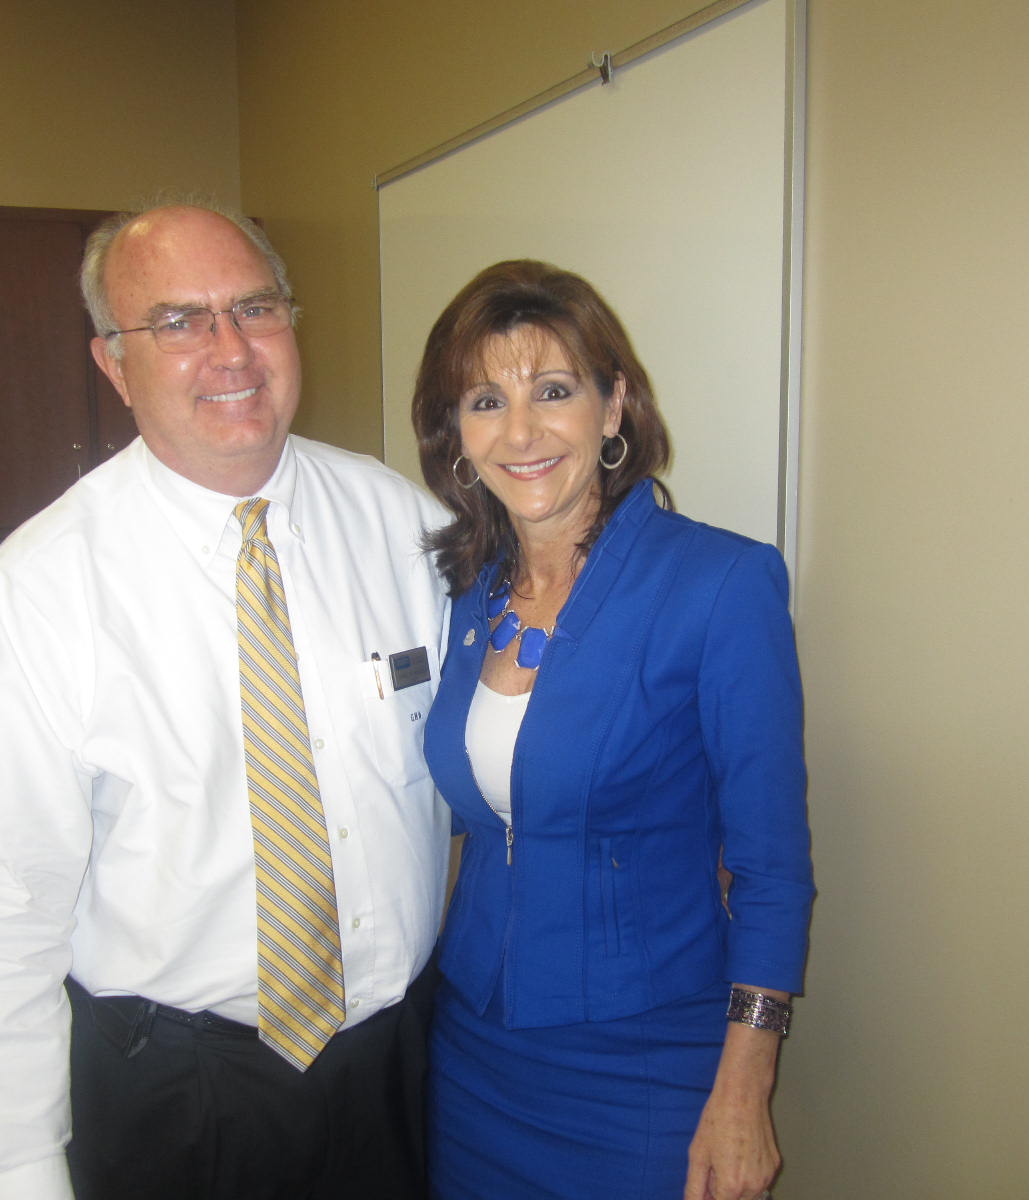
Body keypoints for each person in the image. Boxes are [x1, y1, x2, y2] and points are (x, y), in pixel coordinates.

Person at [0, 202, 450, 1200]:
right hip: (176, 1096)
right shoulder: (47, 585)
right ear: (113, 363)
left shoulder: (403, 525)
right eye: (178, 321)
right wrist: (14, 1173)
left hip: (397, 1071)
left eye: (254, 307)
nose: (230, 349)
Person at [410, 260, 814, 1200]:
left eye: (554, 391)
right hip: (472, 1051)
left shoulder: (719, 586)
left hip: (643, 1064)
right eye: (484, 400)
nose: (521, 432)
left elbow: (773, 870)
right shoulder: (465, 595)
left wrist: (744, 1093)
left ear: (614, 405)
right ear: (456, 435)